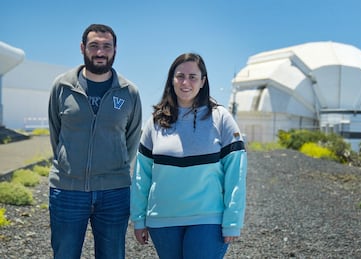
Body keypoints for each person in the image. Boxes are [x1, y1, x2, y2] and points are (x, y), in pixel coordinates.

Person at [130, 53, 247, 258]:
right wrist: (139, 219)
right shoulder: (155, 122)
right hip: (162, 221)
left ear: (203, 82)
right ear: (171, 80)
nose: (186, 82)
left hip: (207, 220)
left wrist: (232, 221)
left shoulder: (221, 118)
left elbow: (236, 174)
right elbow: (141, 177)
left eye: (193, 77)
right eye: (180, 76)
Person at [48, 24, 142, 259]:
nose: (100, 52)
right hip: (67, 190)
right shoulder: (62, 86)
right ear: (82, 48)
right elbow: (55, 132)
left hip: (114, 192)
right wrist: (67, 166)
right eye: (94, 46)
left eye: (106, 46)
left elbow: (131, 137)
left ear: (115, 50)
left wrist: (116, 167)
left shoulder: (129, 92)